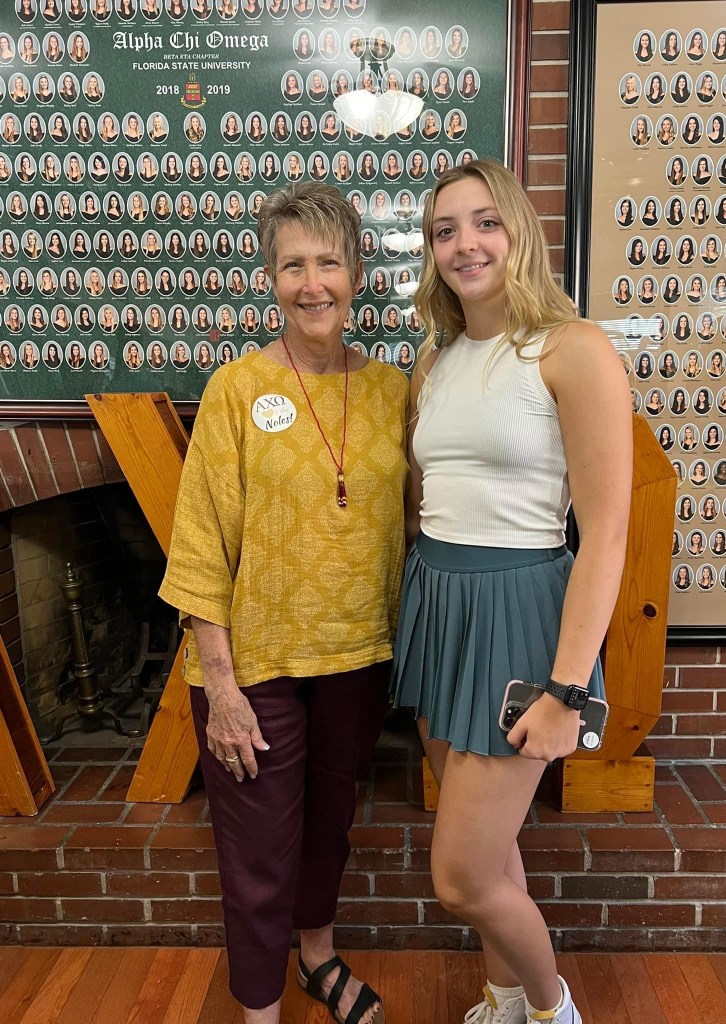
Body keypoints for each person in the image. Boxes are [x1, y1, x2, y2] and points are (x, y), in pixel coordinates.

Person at [159, 182, 409, 1024]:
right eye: (292, 265)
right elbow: (200, 542)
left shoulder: (393, 391)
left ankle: (318, 957)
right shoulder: (235, 389)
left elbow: (414, 515)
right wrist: (221, 685)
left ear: (357, 274)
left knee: (330, 824)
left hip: (359, 655)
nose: (312, 284)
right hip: (253, 663)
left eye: (327, 263)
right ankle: (259, 1010)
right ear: (270, 279)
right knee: (259, 850)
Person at [390, 159, 631, 1024]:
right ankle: (503, 1002)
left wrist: (567, 691)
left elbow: (605, 533)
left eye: (485, 221)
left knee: (459, 878)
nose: (466, 243)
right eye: (444, 230)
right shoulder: (437, 358)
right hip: (440, 606)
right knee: (490, 858)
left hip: (518, 617)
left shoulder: (574, 348)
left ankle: (553, 1011)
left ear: (519, 231)